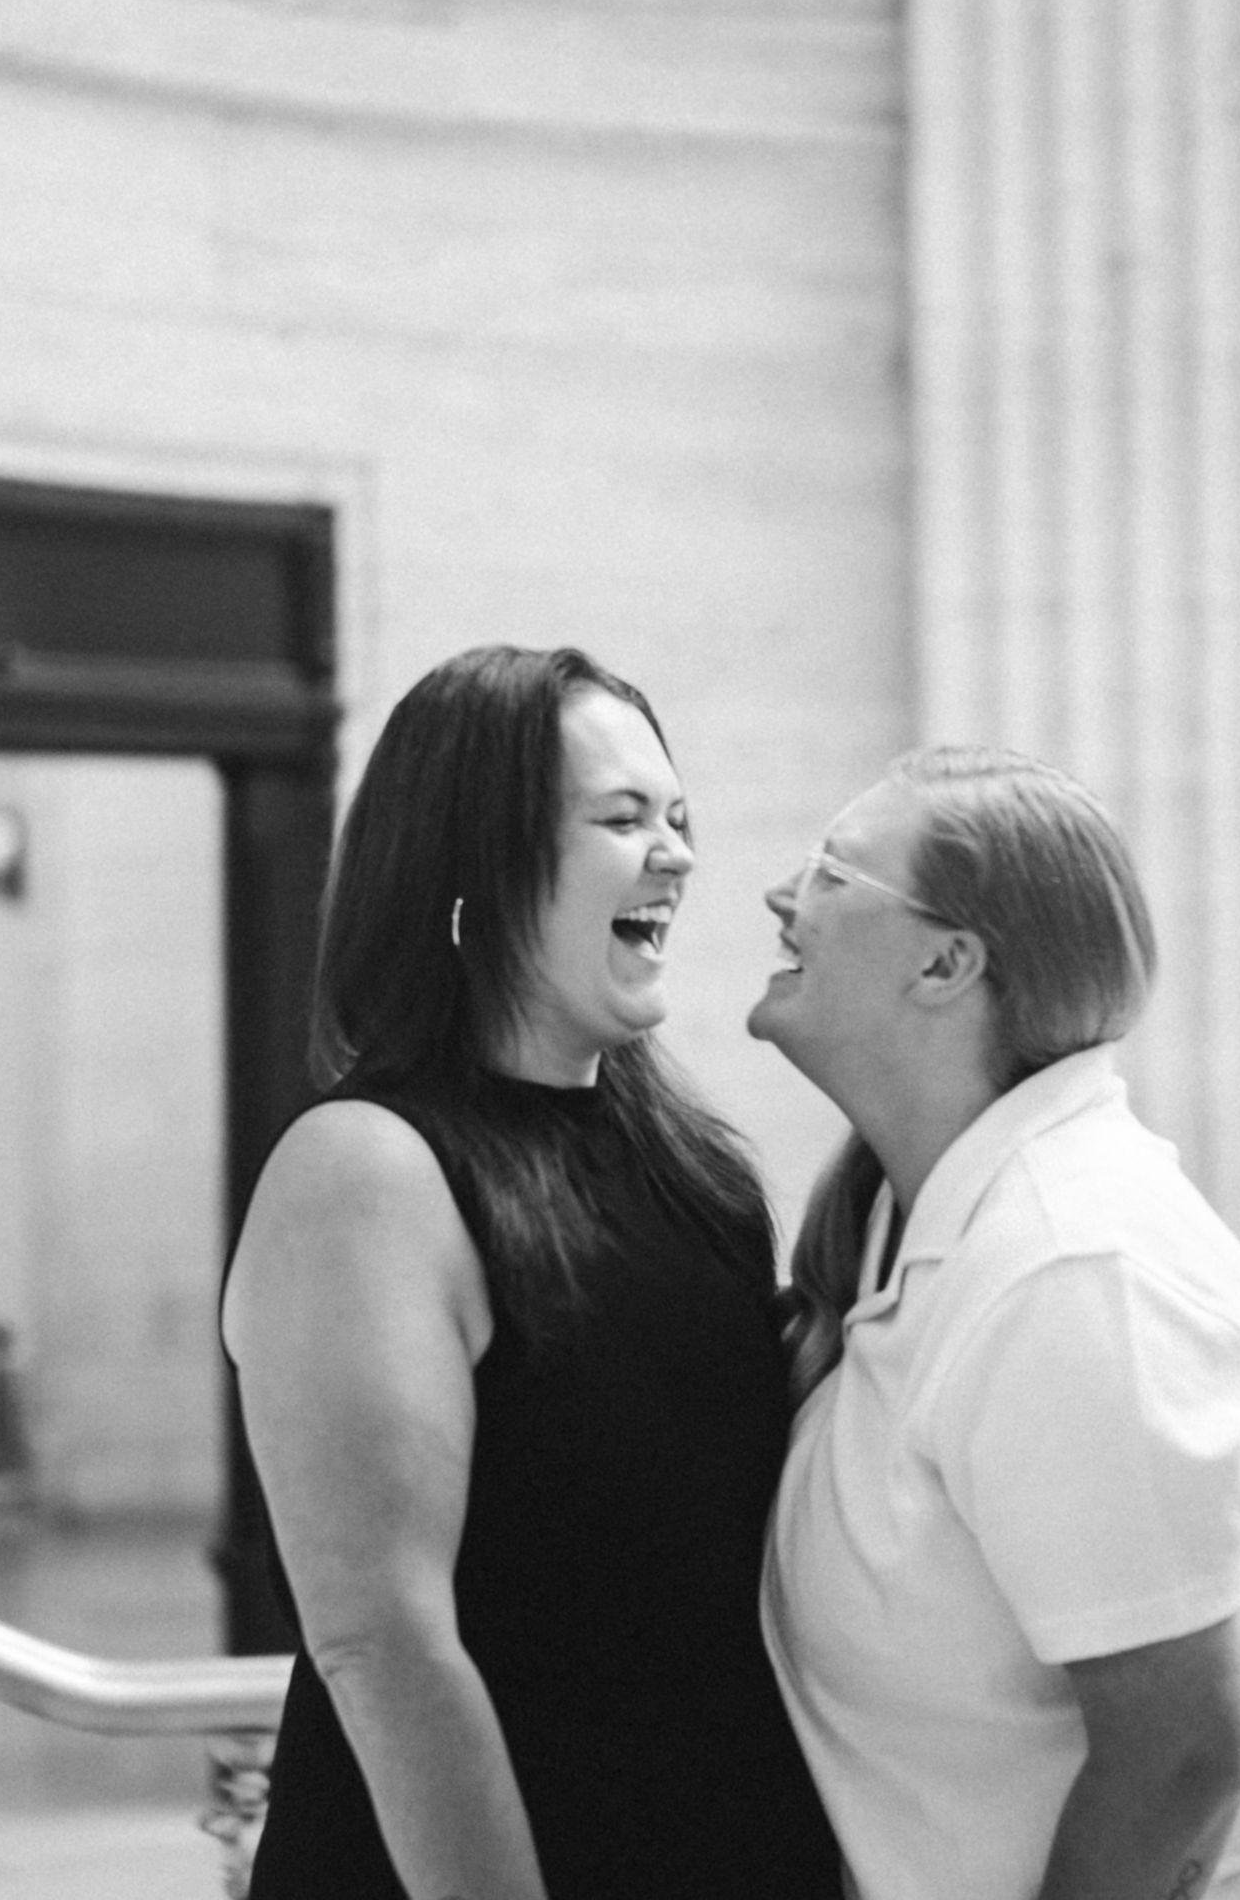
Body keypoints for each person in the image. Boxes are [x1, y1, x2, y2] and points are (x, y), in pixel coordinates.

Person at [222, 644, 841, 1900]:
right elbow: (383, 1643)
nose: (675, 854)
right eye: (622, 818)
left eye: (677, 817)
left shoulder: (693, 1169)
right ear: (476, 863)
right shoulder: (365, 1169)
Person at [750, 746, 1240, 1900]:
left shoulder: (1072, 1272)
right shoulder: (920, 1217)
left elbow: (1180, 1758)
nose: (782, 895)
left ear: (945, 961)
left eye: (833, 873)